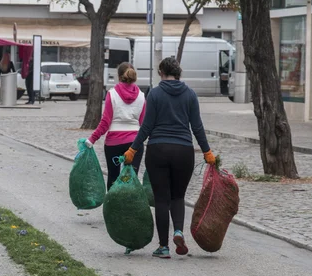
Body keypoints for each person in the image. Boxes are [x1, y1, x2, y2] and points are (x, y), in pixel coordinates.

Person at [124, 56, 216, 259]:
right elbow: (197, 127)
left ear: (161, 73)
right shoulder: (190, 94)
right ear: (178, 72)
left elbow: (147, 126)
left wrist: (133, 149)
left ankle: (164, 246)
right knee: (178, 196)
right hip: (184, 151)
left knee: (161, 199)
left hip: (158, 150)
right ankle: (178, 232)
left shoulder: (155, 94)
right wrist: (207, 152)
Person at [85, 62, 146, 190]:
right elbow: (143, 123)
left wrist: (92, 139)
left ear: (119, 77)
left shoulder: (111, 94)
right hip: (134, 144)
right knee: (131, 179)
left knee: (113, 178)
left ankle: (113, 208)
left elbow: (105, 122)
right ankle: (130, 207)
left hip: (114, 144)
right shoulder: (141, 96)